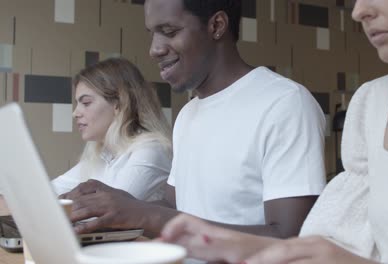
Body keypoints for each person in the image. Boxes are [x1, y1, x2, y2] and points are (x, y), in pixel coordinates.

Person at [159, 0, 388, 263]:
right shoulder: (372, 103)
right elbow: (335, 245)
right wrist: (242, 246)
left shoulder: (283, 102)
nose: (359, 11)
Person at [61, 0, 326, 241]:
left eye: (170, 31)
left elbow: (290, 238)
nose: (154, 49)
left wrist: (144, 214)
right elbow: (177, 209)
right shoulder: (189, 113)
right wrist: (121, 204)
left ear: (217, 25)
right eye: (152, 33)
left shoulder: (285, 103)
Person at [52, 58, 172, 202]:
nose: (75, 113)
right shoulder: (103, 155)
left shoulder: (152, 150)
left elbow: (109, 210)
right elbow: (48, 191)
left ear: (119, 104)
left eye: (86, 103)